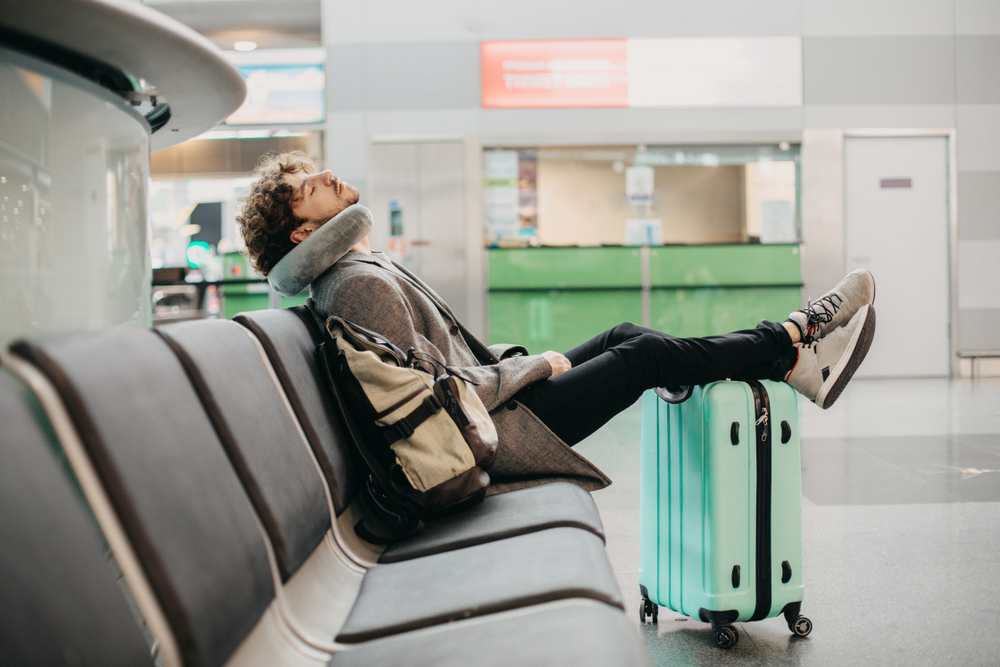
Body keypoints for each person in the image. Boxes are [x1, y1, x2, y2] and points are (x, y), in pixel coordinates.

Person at [236, 152, 876, 493]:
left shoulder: (356, 272)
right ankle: (795, 335)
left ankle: (791, 365)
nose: (322, 174)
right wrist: (537, 365)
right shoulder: (358, 286)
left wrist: (522, 365)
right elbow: (436, 400)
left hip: (497, 406)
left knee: (627, 336)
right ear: (303, 230)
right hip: (491, 434)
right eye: (306, 186)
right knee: (642, 359)